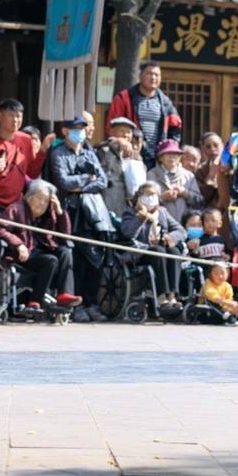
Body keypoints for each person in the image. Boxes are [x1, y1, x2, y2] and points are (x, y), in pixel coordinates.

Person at [49, 115, 109, 323]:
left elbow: (103, 181)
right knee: (75, 260)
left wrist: (81, 187)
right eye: (75, 128)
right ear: (65, 131)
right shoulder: (58, 153)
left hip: (91, 214)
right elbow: (63, 182)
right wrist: (87, 179)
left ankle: (91, 303)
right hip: (70, 212)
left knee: (94, 259)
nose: (80, 132)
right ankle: (77, 306)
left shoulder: (89, 153)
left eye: (82, 128)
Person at [0, 179, 80, 313]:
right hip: (22, 257)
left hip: (42, 253)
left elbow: (65, 236)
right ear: (29, 196)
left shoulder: (48, 214)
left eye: (46, 201)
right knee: (51, 260)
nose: (42, 203)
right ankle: (34, 302)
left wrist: (59, 212)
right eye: (40, 198)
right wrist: (18, 244)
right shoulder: (16, 209)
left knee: (65, 252)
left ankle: (64, 294)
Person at [120, 181, 186, 316]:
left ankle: (172, 296)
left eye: (154, 194)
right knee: (158, 251)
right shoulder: (130, 213)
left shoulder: (162, 212)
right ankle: (161, 296)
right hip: (142, 252)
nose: (151, 197)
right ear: (139, 196)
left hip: (162, 250)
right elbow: (128, 233)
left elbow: (181, 231)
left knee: (174, 251)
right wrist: (141, 217)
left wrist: (168, 237)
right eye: (147, 194)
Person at [105, 61, 182, 168]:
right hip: (130, 156)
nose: (153, 77)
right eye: (149, 73)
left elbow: (175, 130)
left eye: (157, 75)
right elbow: (111, 126)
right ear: (140, 76)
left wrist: (169, 151)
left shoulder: (166, 102)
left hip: (158, 161)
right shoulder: (125, 98)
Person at [147, 139, 202, 224]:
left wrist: (185, 193)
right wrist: (162, 198)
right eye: (168, 154)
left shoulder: (188, 176)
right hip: (158, 223)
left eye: (175, 154)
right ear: (160, 157)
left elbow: (199, 202)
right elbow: (144, 203)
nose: (172, 157)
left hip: (183, 225)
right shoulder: (151, 175)